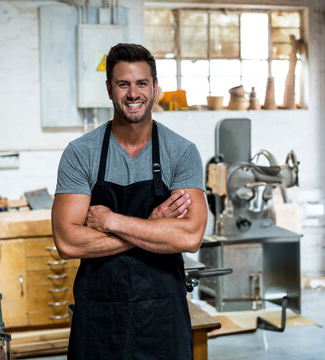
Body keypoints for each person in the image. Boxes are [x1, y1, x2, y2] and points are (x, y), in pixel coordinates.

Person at [52, 43, 208, 360]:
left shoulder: (181, 152)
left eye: (142, 84)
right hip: (99, 315)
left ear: (155, 88)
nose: (133, 93)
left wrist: (114, 221)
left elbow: (190, 237)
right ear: (109, 89)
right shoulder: (81, 153)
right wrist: (153, 228)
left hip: (163, 314)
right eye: (123, 84)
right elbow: (68, 242)